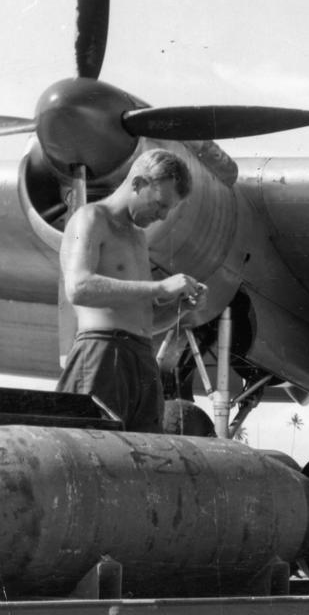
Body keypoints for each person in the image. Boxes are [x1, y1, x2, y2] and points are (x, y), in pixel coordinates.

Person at [56, 148, 207, 433]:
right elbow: (78, 287)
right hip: (101, 353)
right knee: (93, 451)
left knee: (142, 459)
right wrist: (159, 287)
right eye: (160, 204)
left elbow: (144, 321)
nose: (162, 216)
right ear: (137, 184)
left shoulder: (137, 236)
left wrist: (183, 307)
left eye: (168, 209)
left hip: (141, 358)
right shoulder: (89, 218)